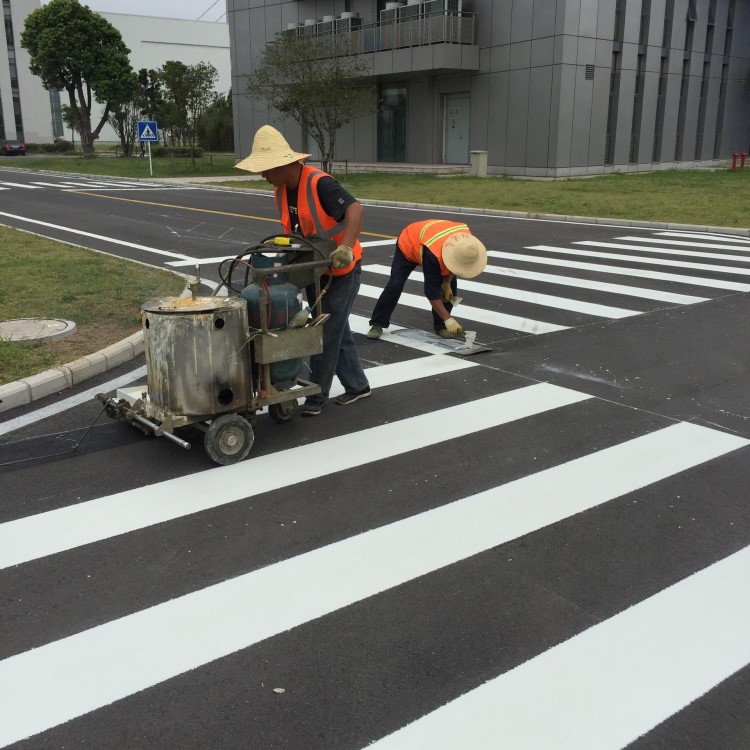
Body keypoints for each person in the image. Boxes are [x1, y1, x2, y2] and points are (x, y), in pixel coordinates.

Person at [235, 125, 370, 417]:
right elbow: (296, 233)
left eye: (266, 169)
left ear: (284, 164)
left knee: (325, 331)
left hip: (342, 268)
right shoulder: (281, 191)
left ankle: (316, 395)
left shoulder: (320, 184)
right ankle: (358, 386)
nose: (263, 175)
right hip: (313, 267)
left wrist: (345, 248)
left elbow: (355, 210)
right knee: (335, 328)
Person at [367, 219, 487, 340]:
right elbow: (431, 292)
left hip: (433, 243)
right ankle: (377, 323)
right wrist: (448, 319)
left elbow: (454, 267)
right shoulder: (433, 256)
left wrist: (447, 282)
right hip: (409, 244)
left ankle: (441, 326)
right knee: (395, 285)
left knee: (448, 290)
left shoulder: (467, 243)